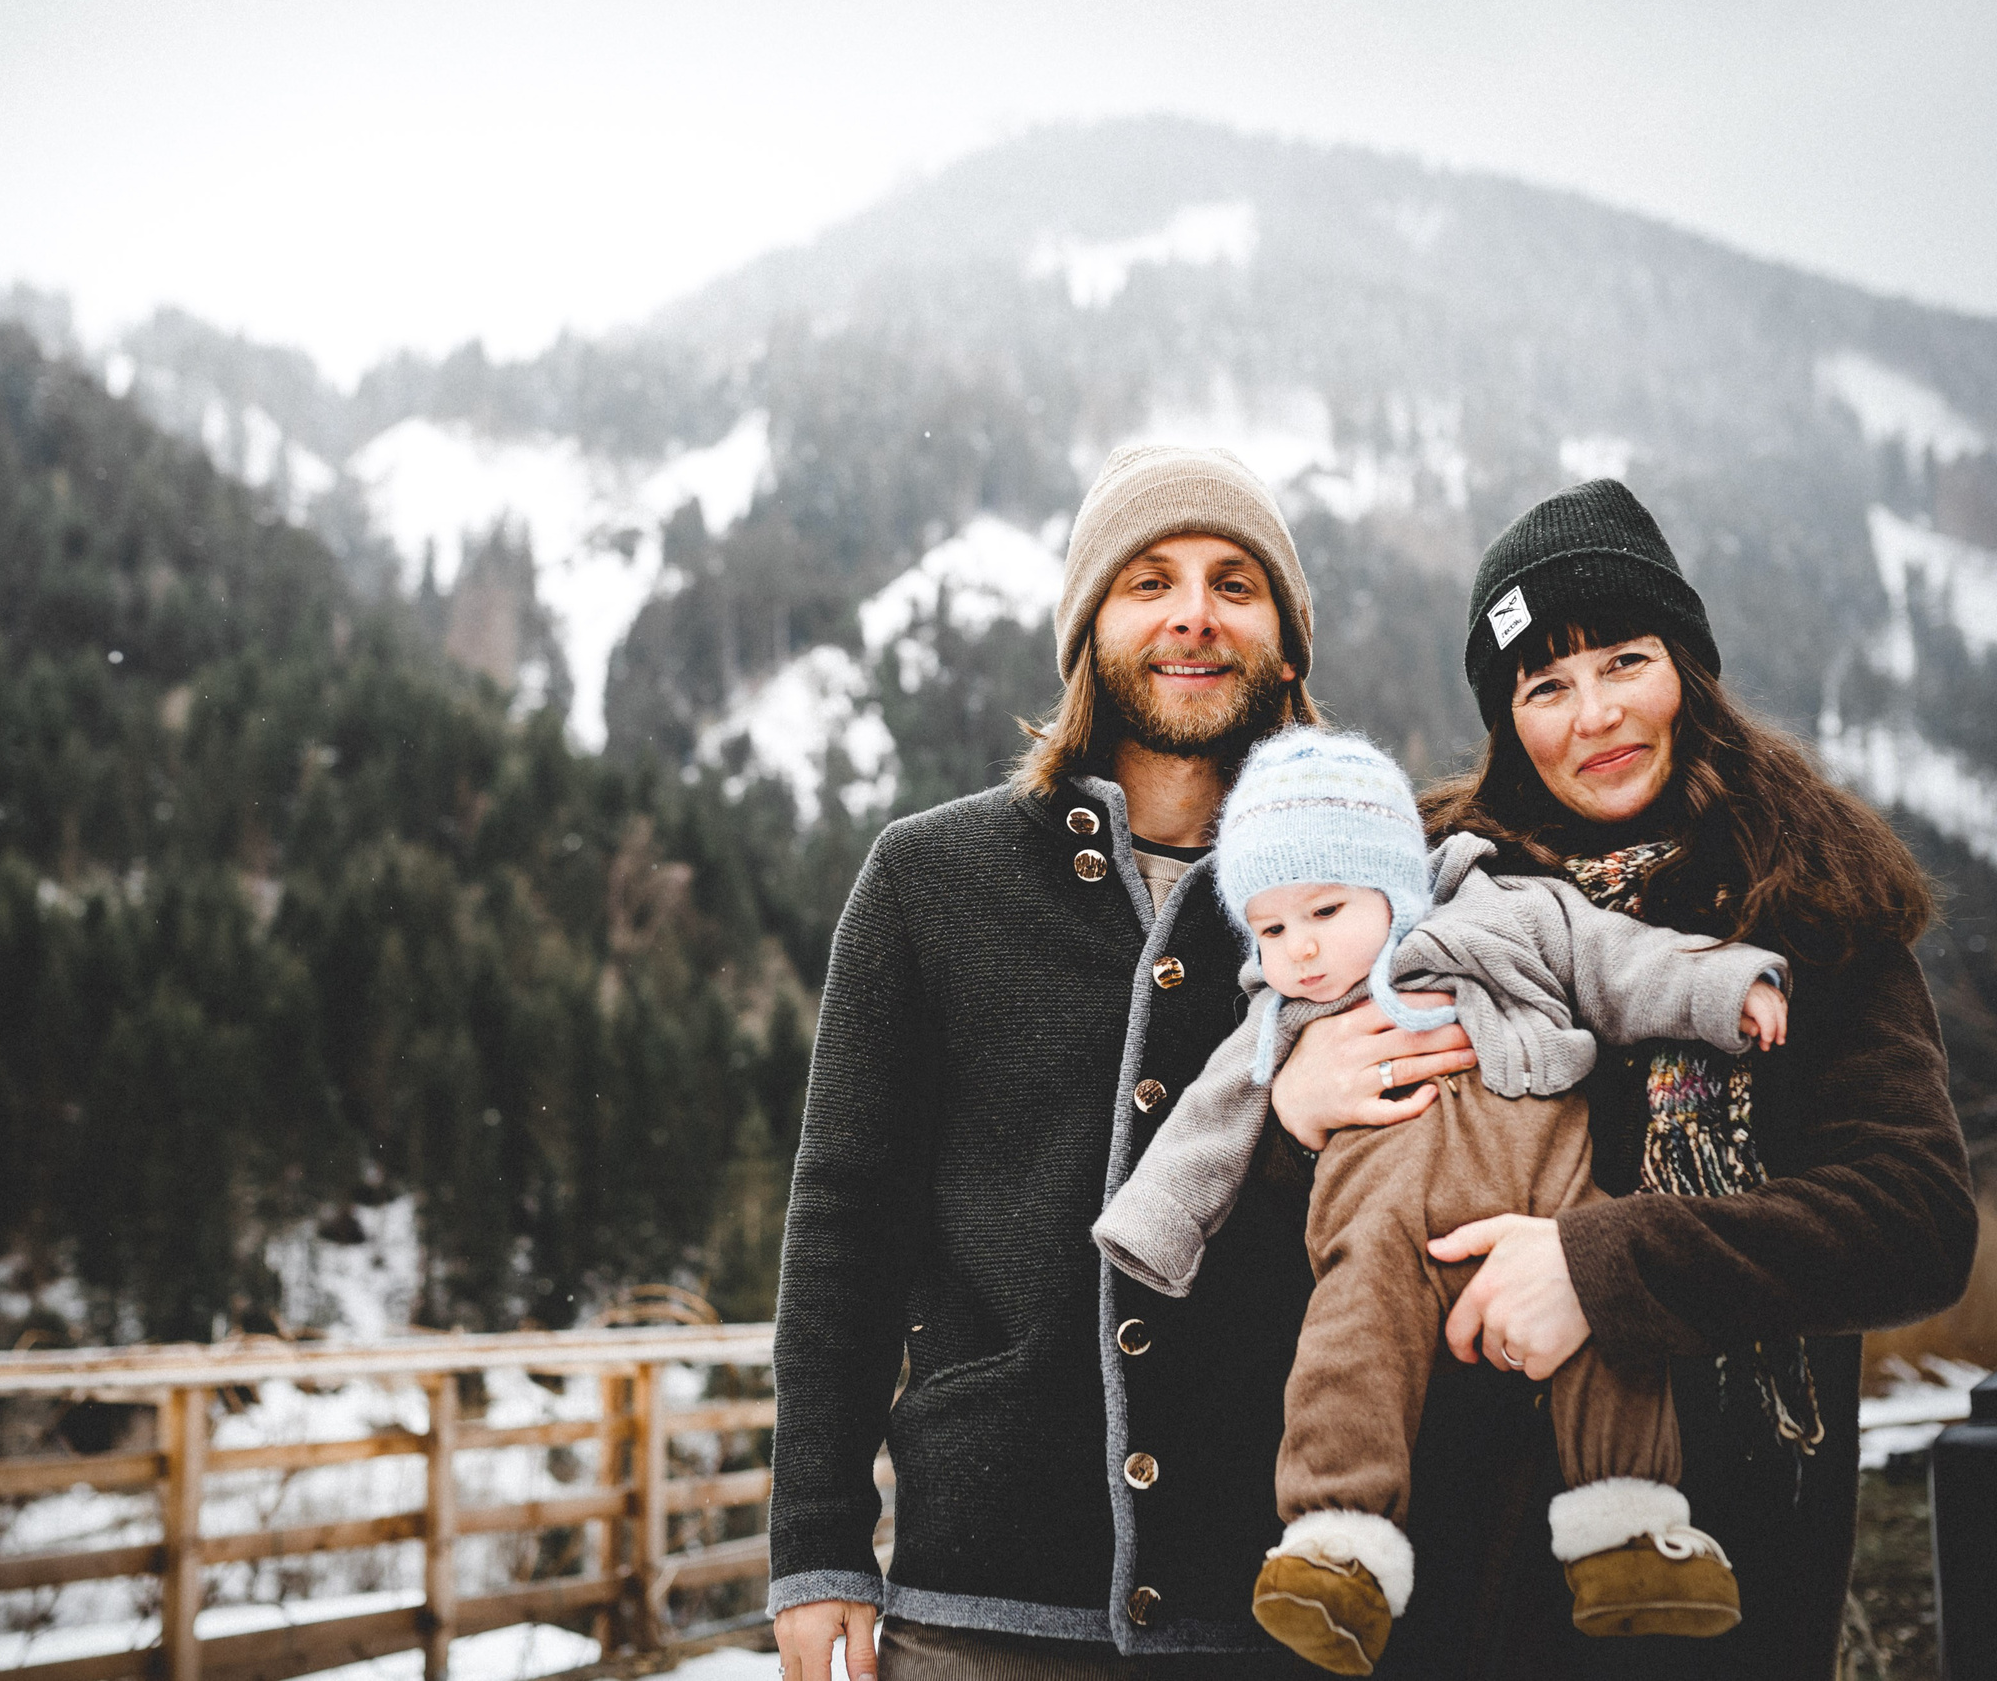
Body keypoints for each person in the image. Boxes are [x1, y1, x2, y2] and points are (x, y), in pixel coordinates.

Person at [767, 445, 1473, 1681]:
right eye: (1149, 580)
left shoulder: (1382, 900)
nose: (1193, 612)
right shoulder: (929, 882)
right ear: (1089, 629)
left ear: (1289, 646)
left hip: (1283, 1602)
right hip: (985, 1605)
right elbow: (845, 1226)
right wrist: (817, 1542)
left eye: (1233, 583)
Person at [1267, 479, 1977, 1677]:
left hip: (1721, 1577)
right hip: (1450, 1585)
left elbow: (1913, 1221)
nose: (1591, 714)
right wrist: (1292, 1114)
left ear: (1686, 669)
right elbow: (1299, 1194)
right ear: (1508, 717)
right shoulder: (1431, 900)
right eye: (1544, 685)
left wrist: (1603, 1268)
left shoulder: (1809, 903)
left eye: (1622, 661)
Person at [1091, 727, 1789, 1674]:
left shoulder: (1510, 913)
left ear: (1392, 877)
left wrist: (1724, 985)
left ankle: (1631, 1532)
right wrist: (1151, 1226)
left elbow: (1622, 963)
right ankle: (1338, 1540)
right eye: (1269, 928)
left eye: (1323, 910)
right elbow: (1212, 1121)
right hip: (1380, 1215)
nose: (1296, 951)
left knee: (1606, 1319)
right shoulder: (1282, 1015)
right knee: (1352, 1341)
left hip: (1549, 1186)